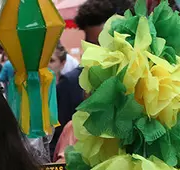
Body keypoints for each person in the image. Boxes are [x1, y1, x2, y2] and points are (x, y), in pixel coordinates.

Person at [52, 0, 132, 158]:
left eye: (105, 46)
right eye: (91, 46)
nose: (97, 54)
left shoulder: (144, 83)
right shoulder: (71, 84)